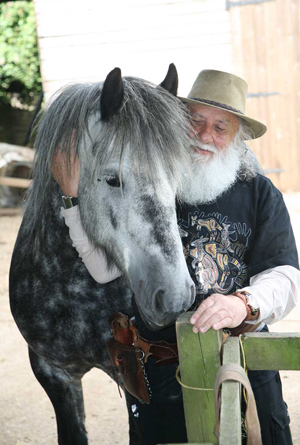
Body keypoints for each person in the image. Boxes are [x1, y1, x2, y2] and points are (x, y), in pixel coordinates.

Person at [52, 69, 300, 445]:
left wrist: (243, 304)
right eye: (196, 120)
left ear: (238, 137)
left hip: (242, 362)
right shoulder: (148, 179)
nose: (204, 135)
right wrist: (72, 199)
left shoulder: (260, 194)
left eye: (221, 127)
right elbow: (105, 272)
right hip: (160, 370)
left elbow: (287, 278)